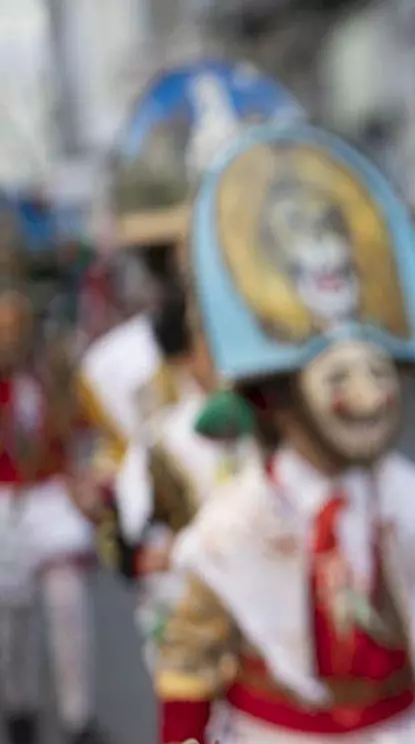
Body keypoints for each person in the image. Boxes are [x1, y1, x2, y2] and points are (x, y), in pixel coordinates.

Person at [150, 122, 415, 744]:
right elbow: (192, 647)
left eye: (378, 374)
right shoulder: (231, 527)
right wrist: (178, 742)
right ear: (279, 400)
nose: (368, 397)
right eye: (340, 380)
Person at [76, 60, 304, 661]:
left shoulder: (300, 344)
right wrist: (134, 548)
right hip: (186, 597)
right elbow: (119, 498)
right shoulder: (116, 366)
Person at [0, 196, 106, 744]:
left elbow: (77, 428)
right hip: (5, 502)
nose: (11, 335)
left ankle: (78, 717)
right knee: (12, 619)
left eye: (17, 325)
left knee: (68, 606)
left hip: (48, 496)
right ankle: (19, 705)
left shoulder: (52, 370)